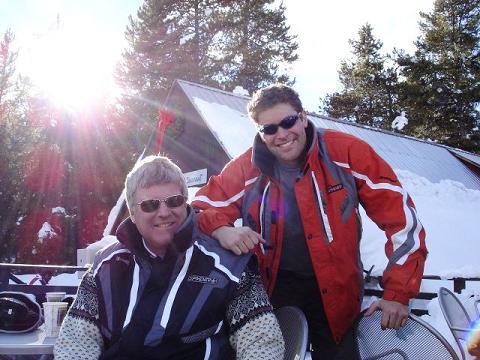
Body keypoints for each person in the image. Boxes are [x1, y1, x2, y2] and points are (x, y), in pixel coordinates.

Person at [192, 84, 428, 359]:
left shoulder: (347, 152)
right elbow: (199, 208)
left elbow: (402, 222)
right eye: (269, 129)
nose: (281, 135)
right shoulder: (247, 168)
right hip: (274, 295)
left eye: (288, 122)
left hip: (339, 295)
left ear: (303, 117)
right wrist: (221, 229)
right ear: (260, 132)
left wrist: (398, 292)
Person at [54, 155, 284, 360]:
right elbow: (77, 338)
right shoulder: (107, 265)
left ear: (185, 203)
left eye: (174, 201)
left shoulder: (228, 267)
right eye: (150, 205)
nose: (164, 212)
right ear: (133, 214)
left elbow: (261, 341)